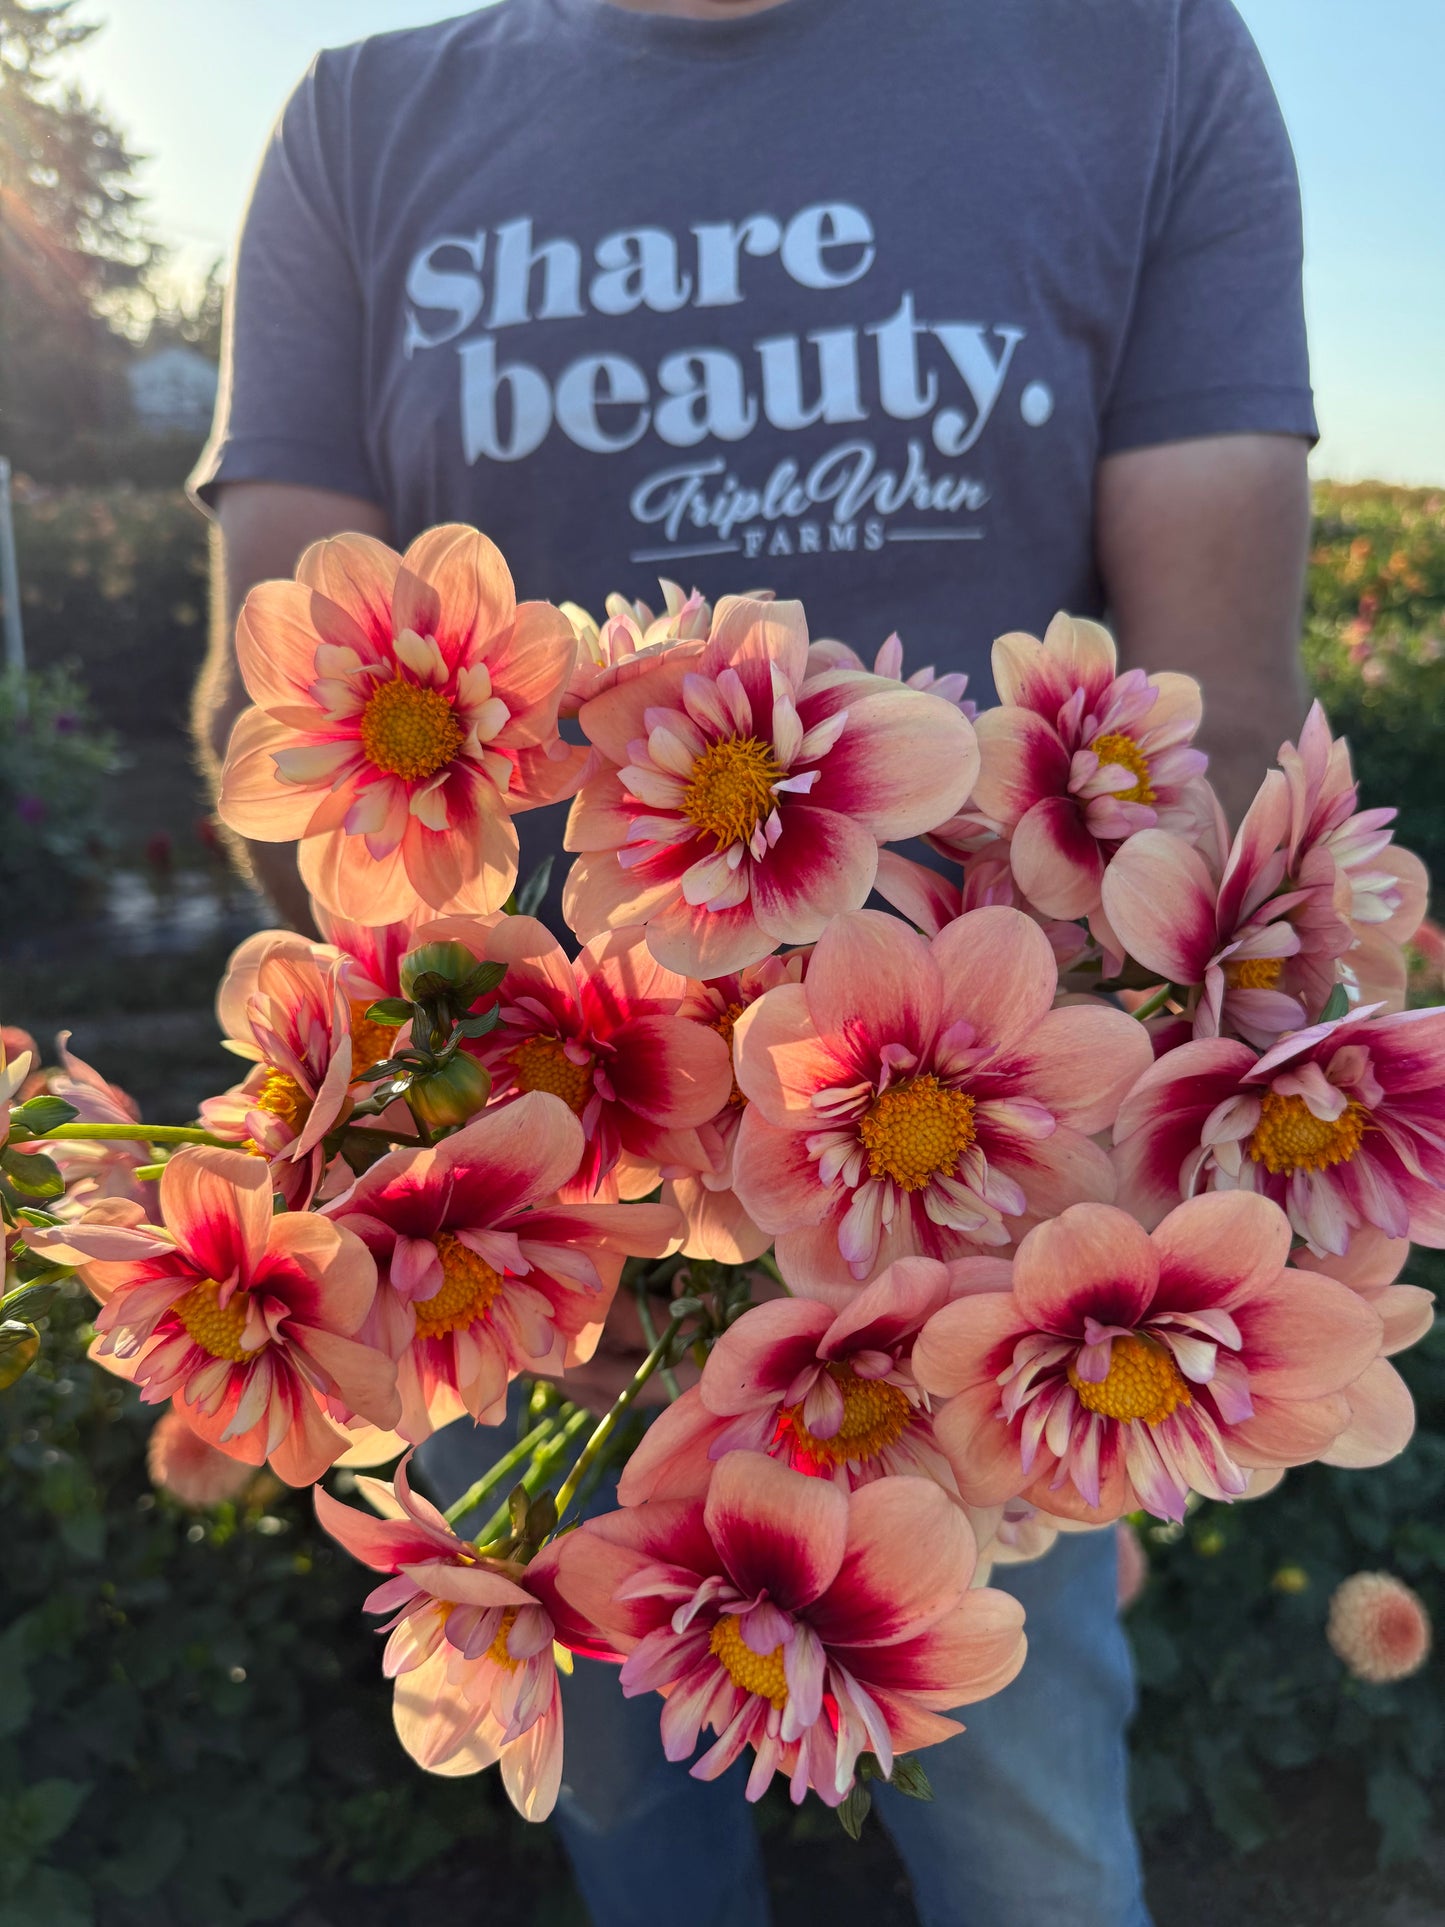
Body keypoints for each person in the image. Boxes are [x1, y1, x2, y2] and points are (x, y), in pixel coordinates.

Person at [189, 2, 1317, 1920]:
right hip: (515, 1237)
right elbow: (284, 724)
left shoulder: (1134, 51)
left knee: (1031, 1842)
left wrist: (1109, 1319)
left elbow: (1213, 725)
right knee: (631, 1805)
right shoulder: (360, 121)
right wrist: (511, 1165)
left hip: (965, 1233)